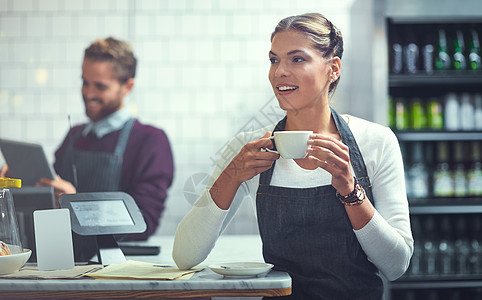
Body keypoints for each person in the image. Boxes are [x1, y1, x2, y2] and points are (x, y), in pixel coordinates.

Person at [172, 13, 413, 299]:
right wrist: (232, 174)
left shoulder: (376, 141)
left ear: (333, 68)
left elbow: (396, 265)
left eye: (297, 59)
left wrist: (350, 191)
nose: (279, 72)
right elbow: (184, 256)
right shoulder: (249, 147)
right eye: (274, 60)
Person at [38, 37, 174, 242]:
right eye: (85, 82)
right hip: (66, 261)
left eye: (100, 87)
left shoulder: (151, 140)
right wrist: (24, 182)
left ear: (127, 87)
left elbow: (144, 221)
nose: (88, 93)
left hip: (114, 269)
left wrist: (77, 205)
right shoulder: (74, 135)